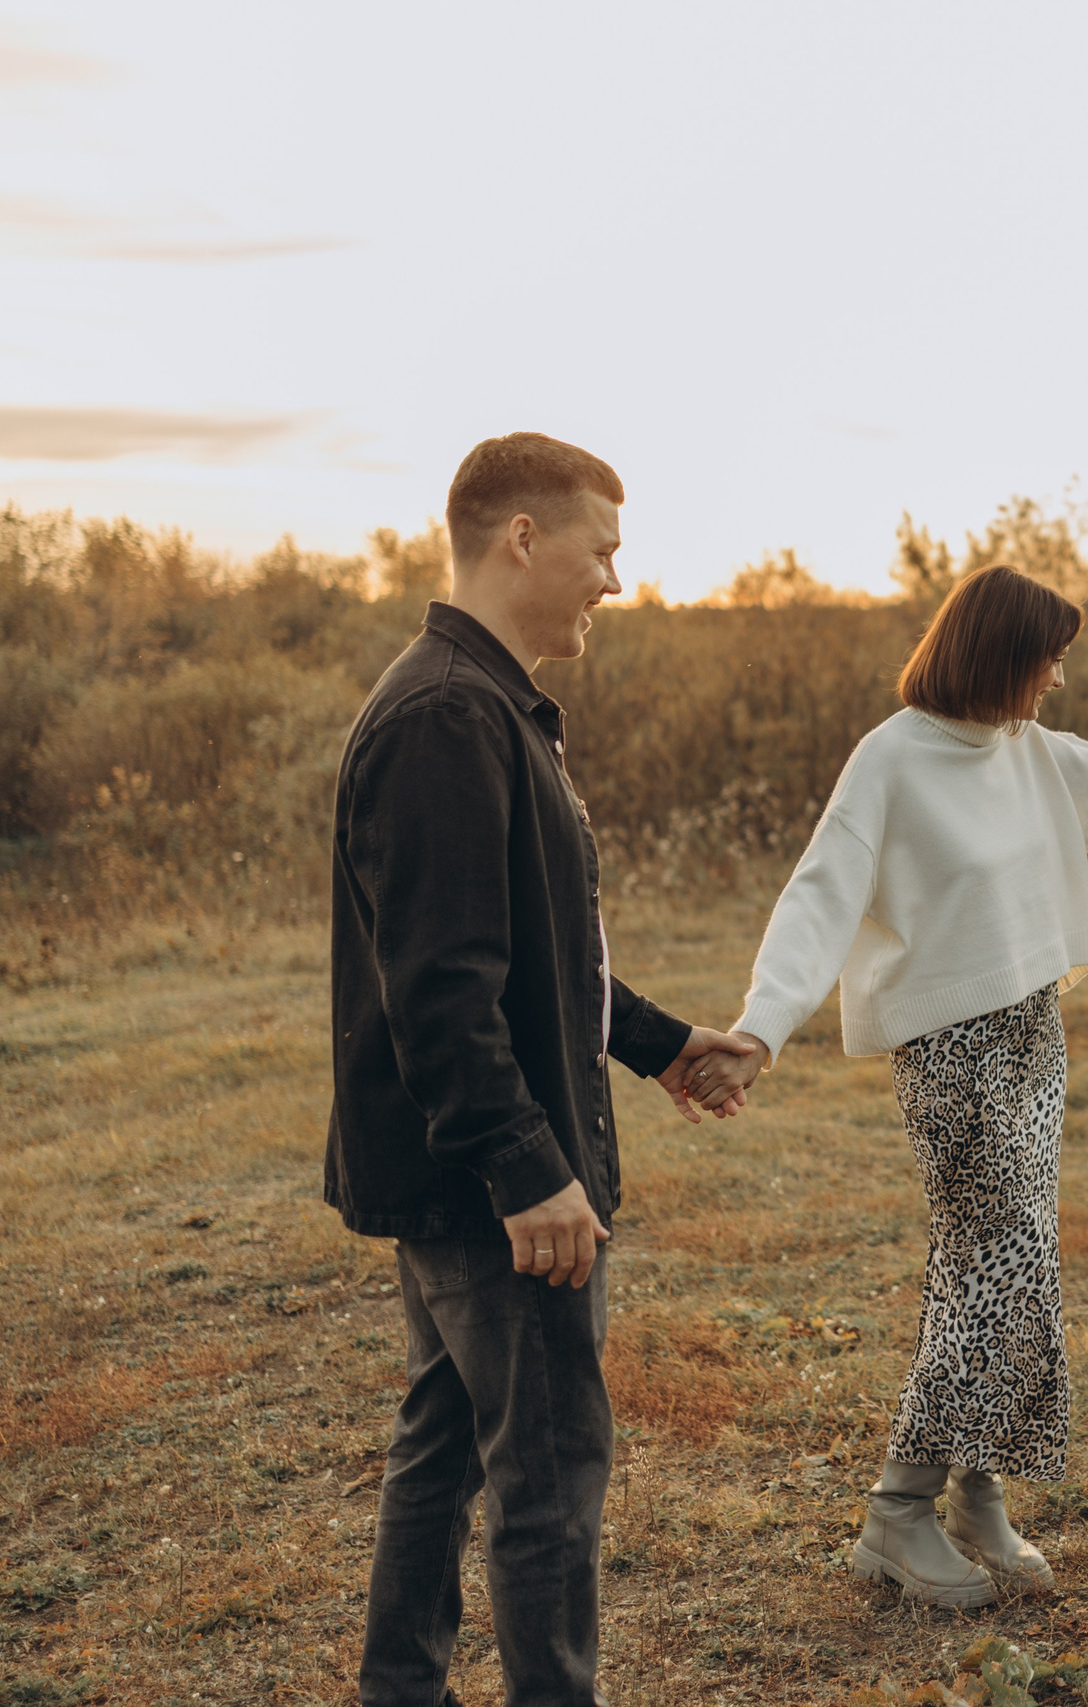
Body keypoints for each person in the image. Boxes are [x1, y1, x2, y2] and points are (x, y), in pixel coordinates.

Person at [682, 563, 1088, 1606]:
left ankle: (973, 1494)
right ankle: (897, 1513)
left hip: (1034, 1030)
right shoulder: (891, 762)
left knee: (1014, 1262)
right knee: (990, 1264)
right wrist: (761, 1029)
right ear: (997, 656)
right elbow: (820, 895)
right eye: (1047, 663)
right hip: (947, 1052)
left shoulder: (1031, 754)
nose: (1056, 684)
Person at [324, 432, 758, 1705]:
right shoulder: (450, 716)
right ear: (524, 538)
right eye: (603, 551)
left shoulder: (484, 702)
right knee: (548, 1477)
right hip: (488, 1189)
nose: (615, 582)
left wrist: (666, 1044)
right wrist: (529, 1175)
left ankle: (398, 1690)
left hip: (473, 1174)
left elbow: (532, 959)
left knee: (445, 1439)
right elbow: (442, 994)